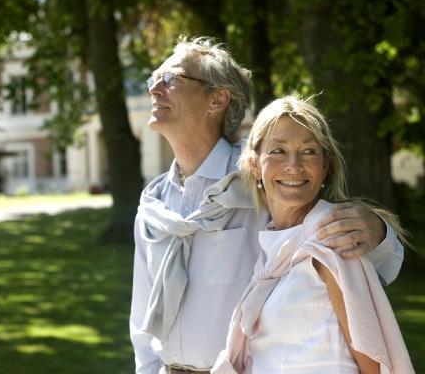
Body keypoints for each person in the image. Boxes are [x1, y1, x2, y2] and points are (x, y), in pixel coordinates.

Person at [130, 37, 404, 374]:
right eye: (152, 79)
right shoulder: (154, 204)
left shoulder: (267, 181)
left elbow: (336, 255)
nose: (155, 90)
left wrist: (378, 232)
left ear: (217, 99)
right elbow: (141, 316)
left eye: (170, 79)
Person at [212, 95, 413, 373]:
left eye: (308, 151)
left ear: (325, 165)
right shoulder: (273, 247)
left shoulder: (332, 242)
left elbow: (374, 366)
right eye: (278, 151)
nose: (293, 165)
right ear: (255, 164)